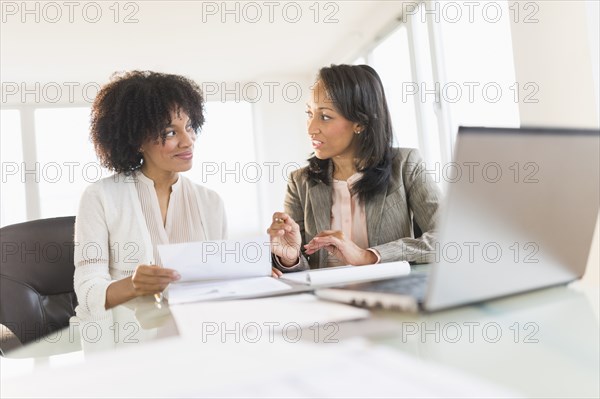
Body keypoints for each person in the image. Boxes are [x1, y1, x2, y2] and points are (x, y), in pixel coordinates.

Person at [73, 71, 227, 317]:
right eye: (170, 132)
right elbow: (87, 292)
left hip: (199, 333)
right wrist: (133, 285)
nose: (187, 141)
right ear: (137, 140)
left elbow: (219, 281)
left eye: (189, 127)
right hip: (131, 343)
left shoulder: (211, 202)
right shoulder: (100, 197)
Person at [268, 64, 442, 272]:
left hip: (388, 293)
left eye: (325, 116)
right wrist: (291, 258)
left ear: (359, 122)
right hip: (325, 298)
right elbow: (303, 269)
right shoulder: (299, 182)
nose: (311, 128)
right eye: (309, 113)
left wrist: (369, 256)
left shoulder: (406, 164)